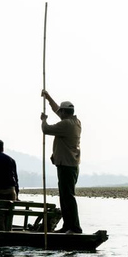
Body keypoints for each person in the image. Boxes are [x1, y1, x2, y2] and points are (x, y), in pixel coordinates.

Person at [41, 89, 82, 234]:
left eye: (61, 113)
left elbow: (46, 129)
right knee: (65, 197)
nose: (60, 114)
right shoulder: (75, 122)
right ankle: (67, 226)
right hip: (69, 165)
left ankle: (74, 228)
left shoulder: (67, 125)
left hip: (66, 165)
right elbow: (56, 109)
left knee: (68, 197)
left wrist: (43, 119)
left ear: (65, 113)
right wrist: (48, 97)